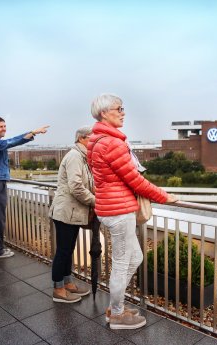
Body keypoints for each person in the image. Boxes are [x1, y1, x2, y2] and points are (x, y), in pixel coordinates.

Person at [88, 94, 178, 330]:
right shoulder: (112, 143)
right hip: (118, 211)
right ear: (104, 113)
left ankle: (115, 305)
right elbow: (135, 180)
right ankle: (116, 314)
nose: (123, 112)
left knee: (135, 257)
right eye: (119, 109)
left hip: (111, 207)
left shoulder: (97, 140)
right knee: (121, 263)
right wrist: (164, 196)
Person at [0, 116, 49, 259]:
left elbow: (10, 141)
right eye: (1, 126)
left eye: (5, 126)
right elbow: (13, 141)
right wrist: (33, 132)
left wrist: (31, 133)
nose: (4, 129)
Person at [49, 126, 95, 303]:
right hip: (66, 212)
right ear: (82, 139)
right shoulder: (75, 157)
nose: (95, 141)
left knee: (68, 250)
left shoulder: (81, 157)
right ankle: (58, 289)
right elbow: (76, 187)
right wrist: (95, 201)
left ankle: (67, 283)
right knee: (63, 251)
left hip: (72, 212)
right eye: (92, 137)